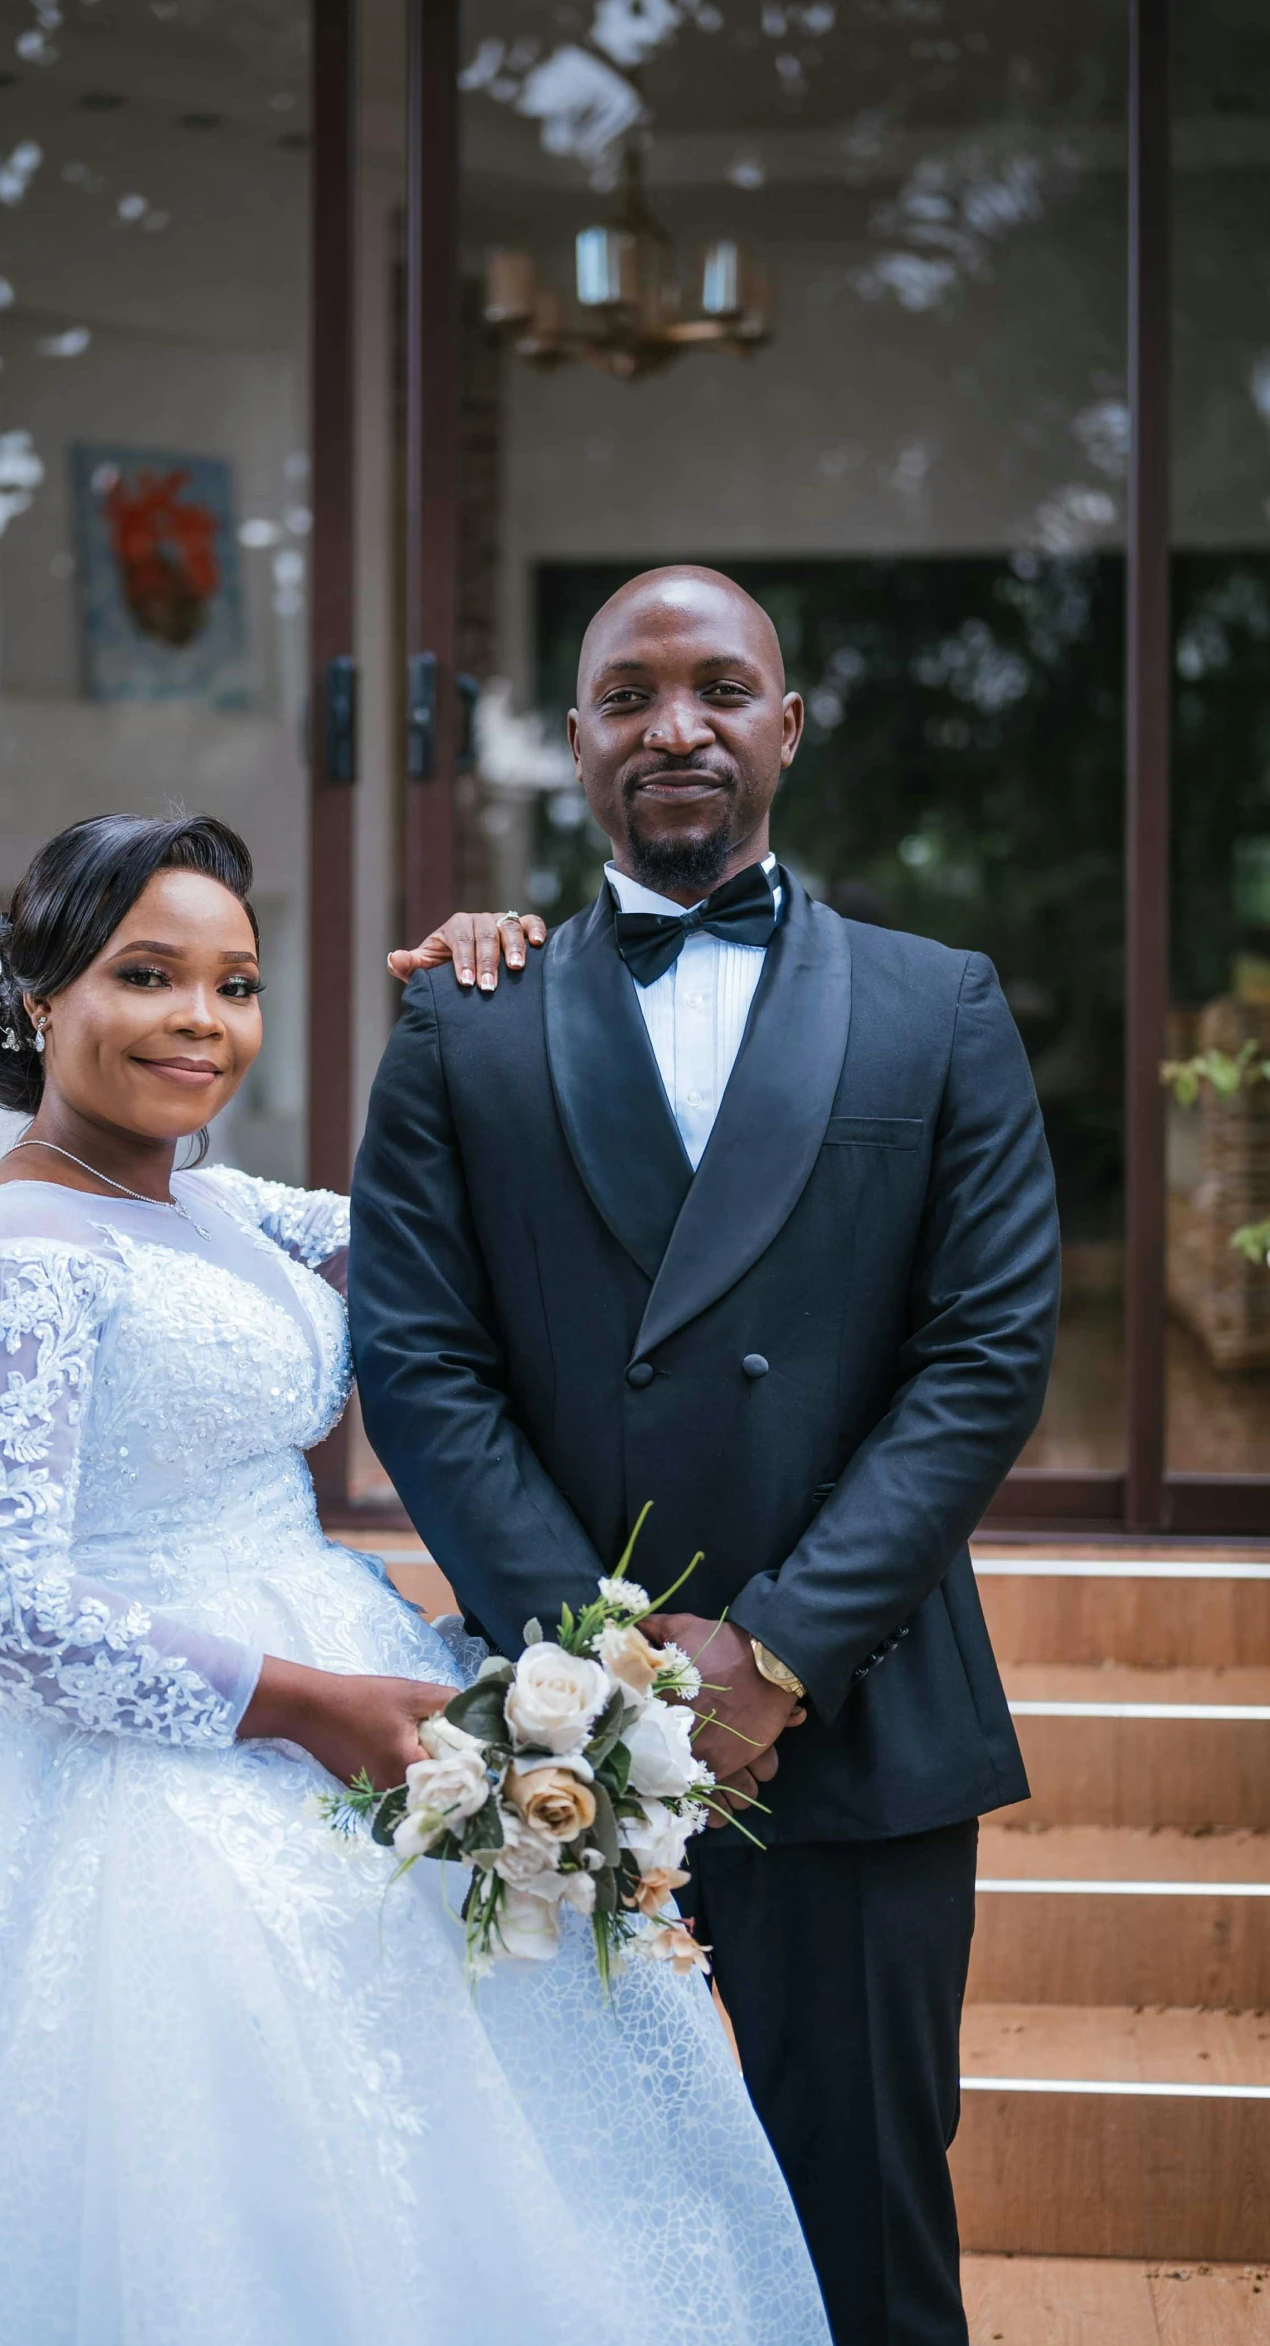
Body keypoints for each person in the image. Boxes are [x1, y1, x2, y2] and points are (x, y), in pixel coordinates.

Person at [0, 811, 829, 2346]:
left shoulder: (228, 1211)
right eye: (146, 974)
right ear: (40, 1001)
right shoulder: (6, 1261)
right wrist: (305, 1706)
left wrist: (508, 994)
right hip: (141, 1768)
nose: (200, 1022)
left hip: (337, 1654)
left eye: (233, 985)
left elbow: (471, 1240)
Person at [350, 567, 1062, 2346]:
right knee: (577, 2226)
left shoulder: (938, 1004)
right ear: (575, 740)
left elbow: (983, 1355)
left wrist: (779, 1648)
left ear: (785, 724)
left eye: (720, 686)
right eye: (626, 693)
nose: (675, 723)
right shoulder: (461, 1018)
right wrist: (599, 1670)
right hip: (557, 1735)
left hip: (859, 1711)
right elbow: (419, 1359)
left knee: (867, 2212)